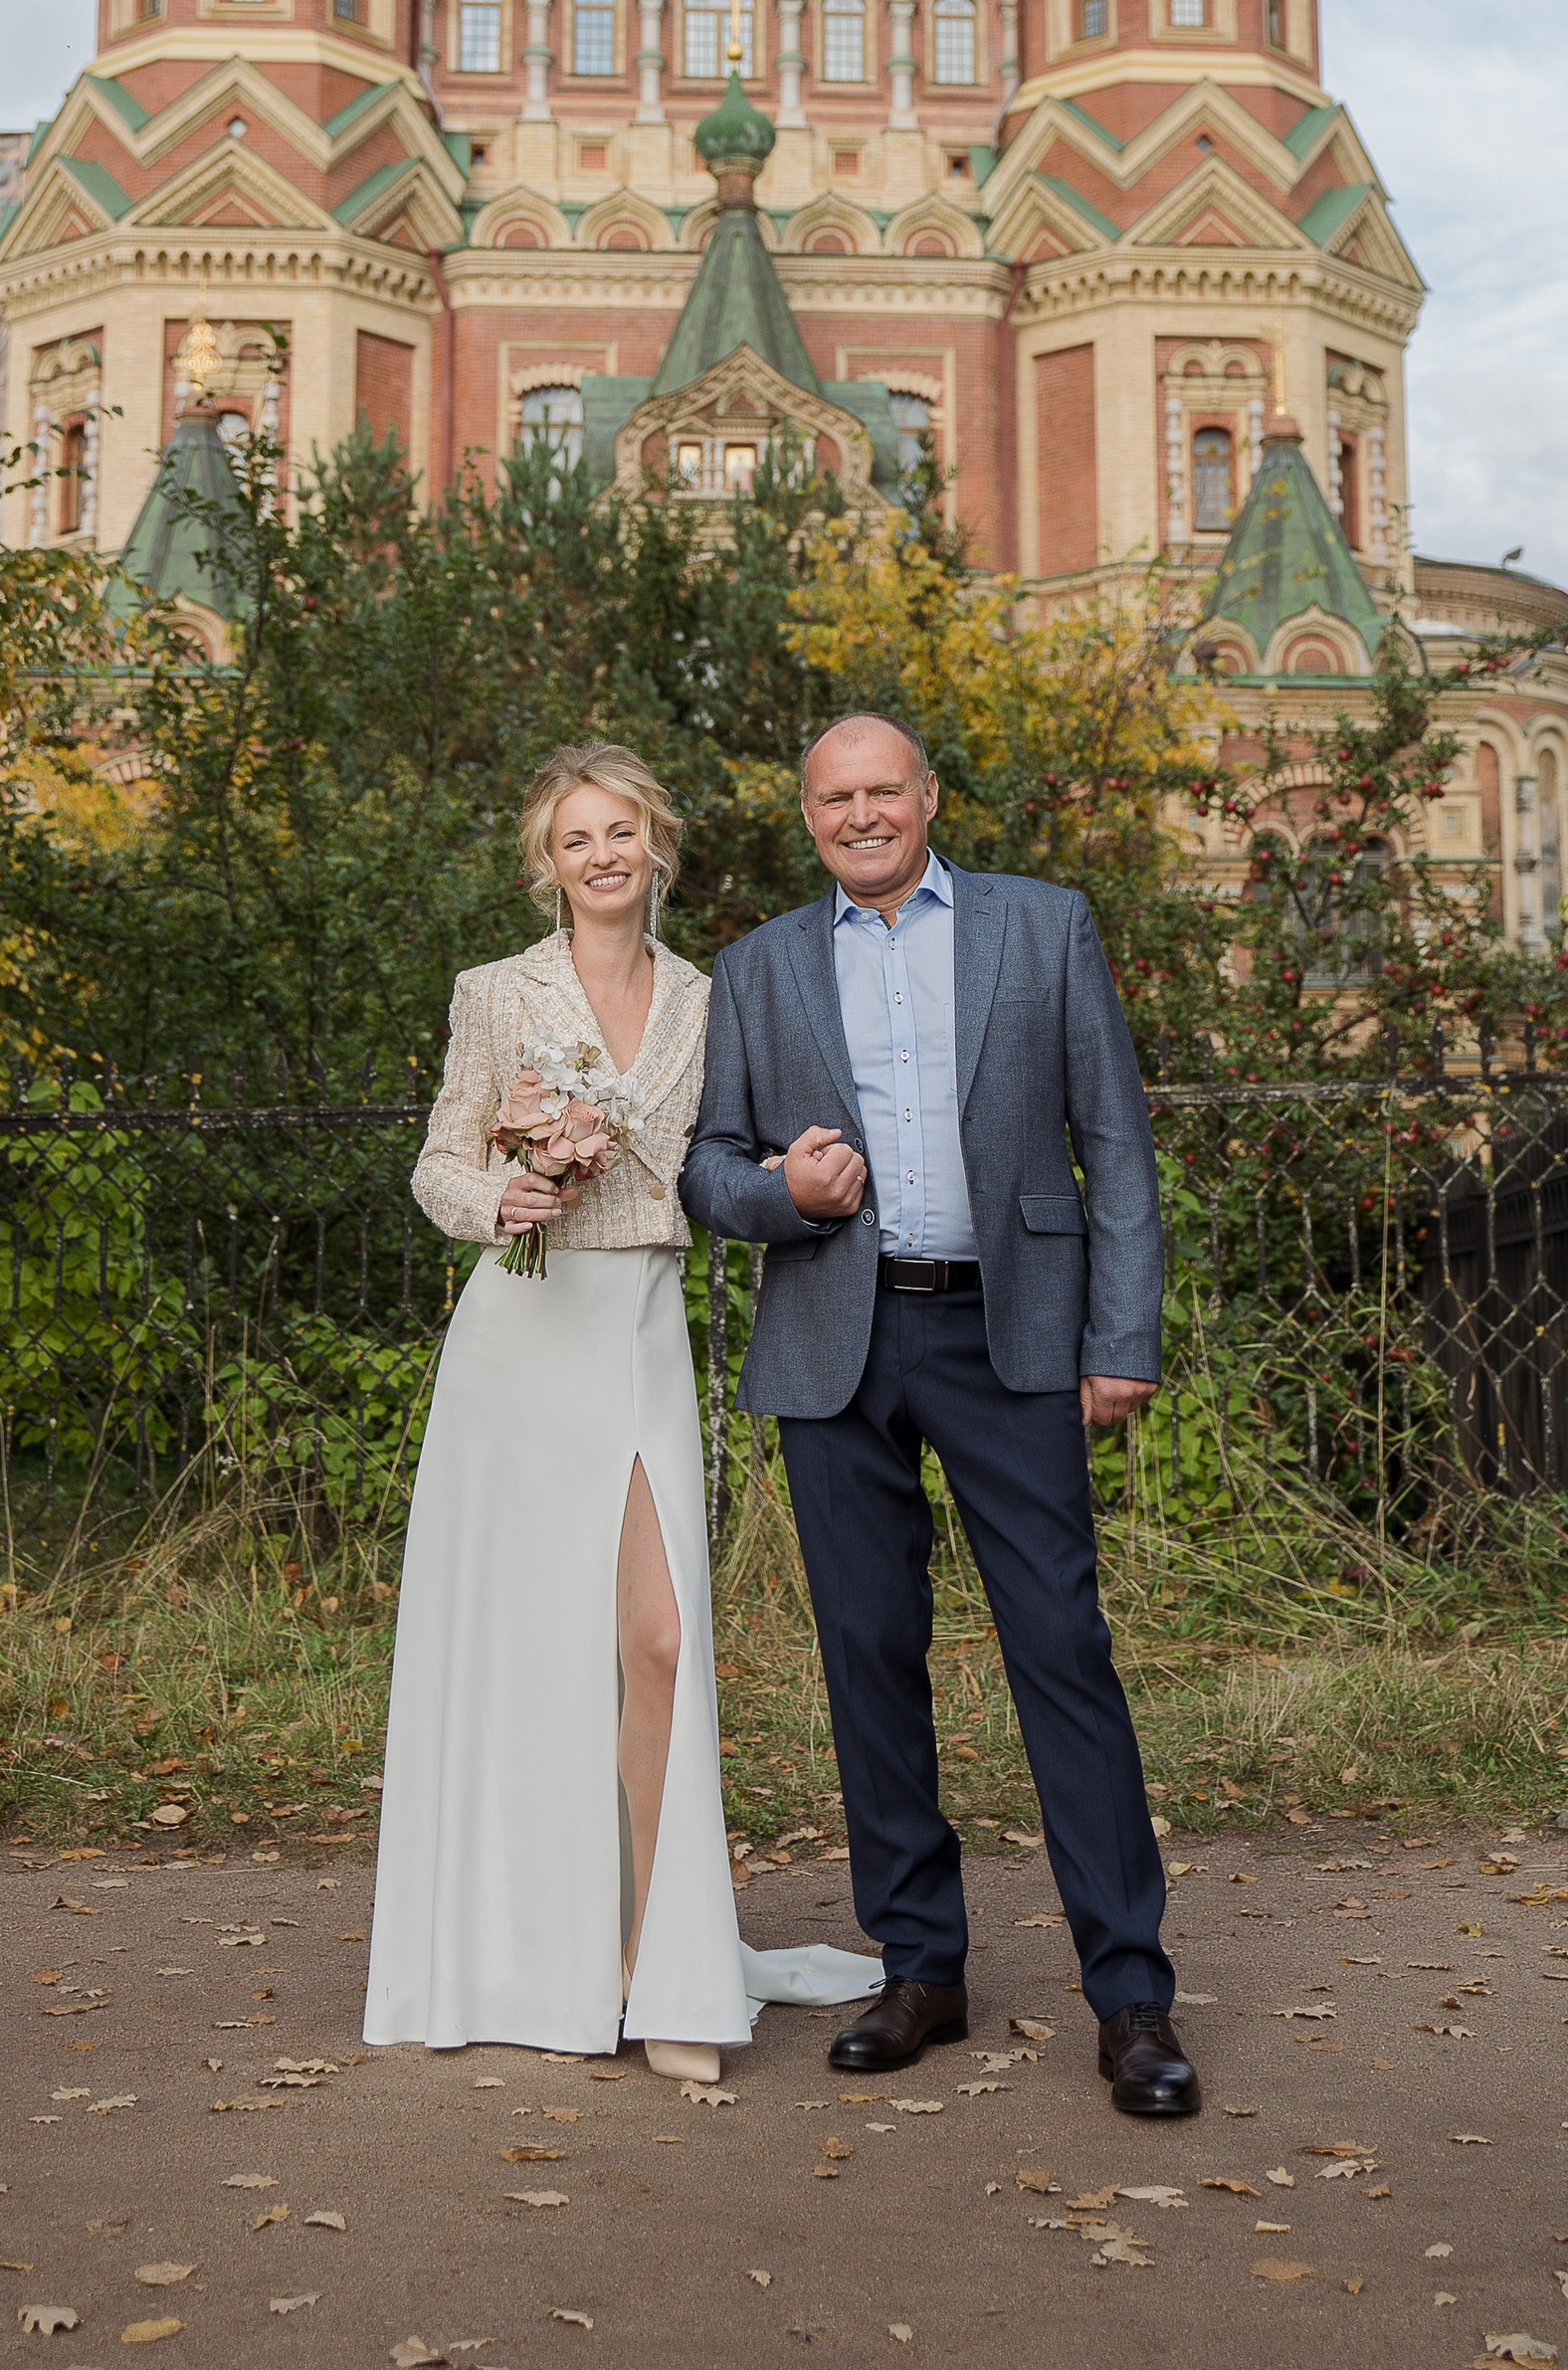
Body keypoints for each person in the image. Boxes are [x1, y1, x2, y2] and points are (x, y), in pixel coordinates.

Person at [678, 711, 1199, 2118]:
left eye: (881, 791)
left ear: (927, 798)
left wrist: (1122, 1334)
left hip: (1011, 1332)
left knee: (1062, 1649)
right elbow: (705, 1171)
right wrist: (786, 1191)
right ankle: (923, 1970)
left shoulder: (1043, 928)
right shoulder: (760, 966)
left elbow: (1118, 1147)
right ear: (810, 816)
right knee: (868, 1655)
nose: (860, 815)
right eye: (834, 797)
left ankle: (1132, 1996)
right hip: (837, 1341)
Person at [364, 740, 881, 2080]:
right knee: (531, 1653)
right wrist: (505, 1198)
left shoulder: (713, 1000)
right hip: (522, 1338)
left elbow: (722, 1164)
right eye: (576, 838)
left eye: (623, 833)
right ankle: (524, 1957)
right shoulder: (496, 994)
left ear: (657, 847)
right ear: (549, 864)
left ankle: (663, 1967)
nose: (602, 856)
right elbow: (437, 1159)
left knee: (656, 1637)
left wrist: (798, 1180)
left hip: (642, 1330)